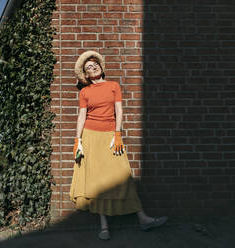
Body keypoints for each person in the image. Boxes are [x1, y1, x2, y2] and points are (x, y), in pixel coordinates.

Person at [70, 51, 167, 240]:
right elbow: (82, 116)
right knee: (98, 181)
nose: (93, 68)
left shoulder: (114, 86)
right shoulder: (85, 92)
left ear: (100, 66)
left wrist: (118, 133)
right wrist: (77, 140)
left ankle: (143, 219)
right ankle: (104, 226)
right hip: (90, 137)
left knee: (123, 176)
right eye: (88, 67)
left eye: (94, 64)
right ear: (85, 75)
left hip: (111, 137)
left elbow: (119, 110)